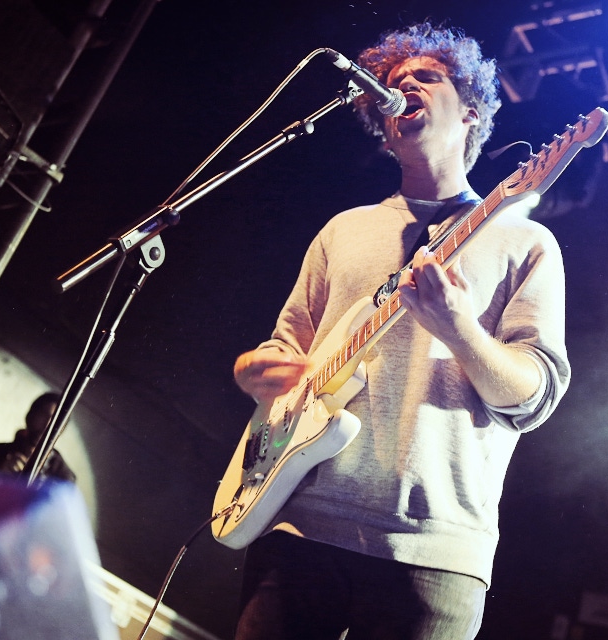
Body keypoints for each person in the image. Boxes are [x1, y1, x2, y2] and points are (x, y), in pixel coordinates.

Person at [229, 22, 571, 639]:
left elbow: (532, 399)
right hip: (299, 520)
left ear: (471, 112)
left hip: (434, 553)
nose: (403, 85)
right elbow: (288, 347)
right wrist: (254, 370)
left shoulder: (526, 241)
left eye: (426, 77)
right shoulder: (344, 229)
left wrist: (460, 328)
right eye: (391, 82)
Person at [0, 392, 76, 483]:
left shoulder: (63, 475)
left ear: (61, 430)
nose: (47, 424)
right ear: (30, 416)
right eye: (43, 415)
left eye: (56, 421)